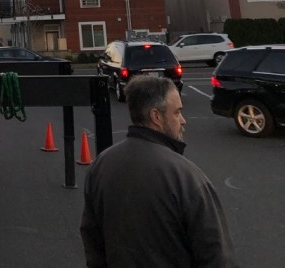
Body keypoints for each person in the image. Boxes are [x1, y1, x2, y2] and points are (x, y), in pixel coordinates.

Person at [80, 75, 238, 268]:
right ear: (156, 117)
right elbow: (216, 255)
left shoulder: (101, 165)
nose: (183, 120)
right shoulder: (185, 176)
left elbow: (92, 240)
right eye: (177, 112)